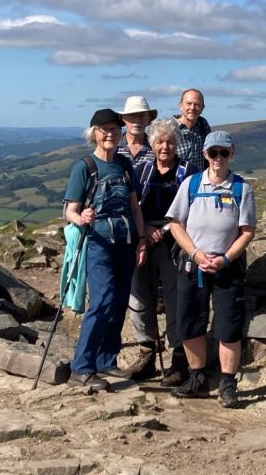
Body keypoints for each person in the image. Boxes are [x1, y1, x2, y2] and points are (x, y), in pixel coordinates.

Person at [165, 130, 255, 409]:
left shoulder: (242, 188)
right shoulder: (191, 184)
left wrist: (225, 259)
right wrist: (195, 253)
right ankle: (197, 378)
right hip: (193, 265)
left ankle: (228, 384)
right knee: (191, 323)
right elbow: (176, 223)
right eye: (213, 153)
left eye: (223, 153)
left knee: (229, 327)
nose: (218, 158)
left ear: (232, 155)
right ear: (204, 155)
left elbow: (248, 231)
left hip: (227, 267)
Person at [63, 108, 148, 393]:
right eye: (103, 130)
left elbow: (135, 206)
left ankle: (106, 359)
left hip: (126, 243)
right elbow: (69, 210)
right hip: (98, 244)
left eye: (114, 129)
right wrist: (81, 218)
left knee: (119, 300)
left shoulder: (125, 166)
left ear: (120, 132)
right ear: (94, 134)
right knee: (102, 300)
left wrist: (141, 239)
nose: (109, 134)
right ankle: (82, 367)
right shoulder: (84, 167)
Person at [125, 118, 191, 383]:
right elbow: (132, 205)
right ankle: (147, 351)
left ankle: (177, 355)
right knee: (139, 296)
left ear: (178, 144)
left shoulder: (188, 172)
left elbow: (192, 210)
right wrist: (146, 231)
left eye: (171, 142)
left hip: (175, 245)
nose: (165, 147)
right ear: (152, 144)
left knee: (175, 299)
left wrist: (161, 230)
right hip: (143, 241)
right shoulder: (140, 170)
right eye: (160, 142)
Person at [172, 88, 211, 176]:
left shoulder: (203, 127)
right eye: (188, 104)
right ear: (180, 105)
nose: (192, 108)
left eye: (197, 104)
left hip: (198, 185)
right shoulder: (168, 128)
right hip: (175, 186)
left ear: (202, 108)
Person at [116, 95, 156, 168]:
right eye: (132, 115)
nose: (137, 120)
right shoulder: (113, 147)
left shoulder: (156, 148)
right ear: (123, 119)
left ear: (148, 120)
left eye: (142, 116)